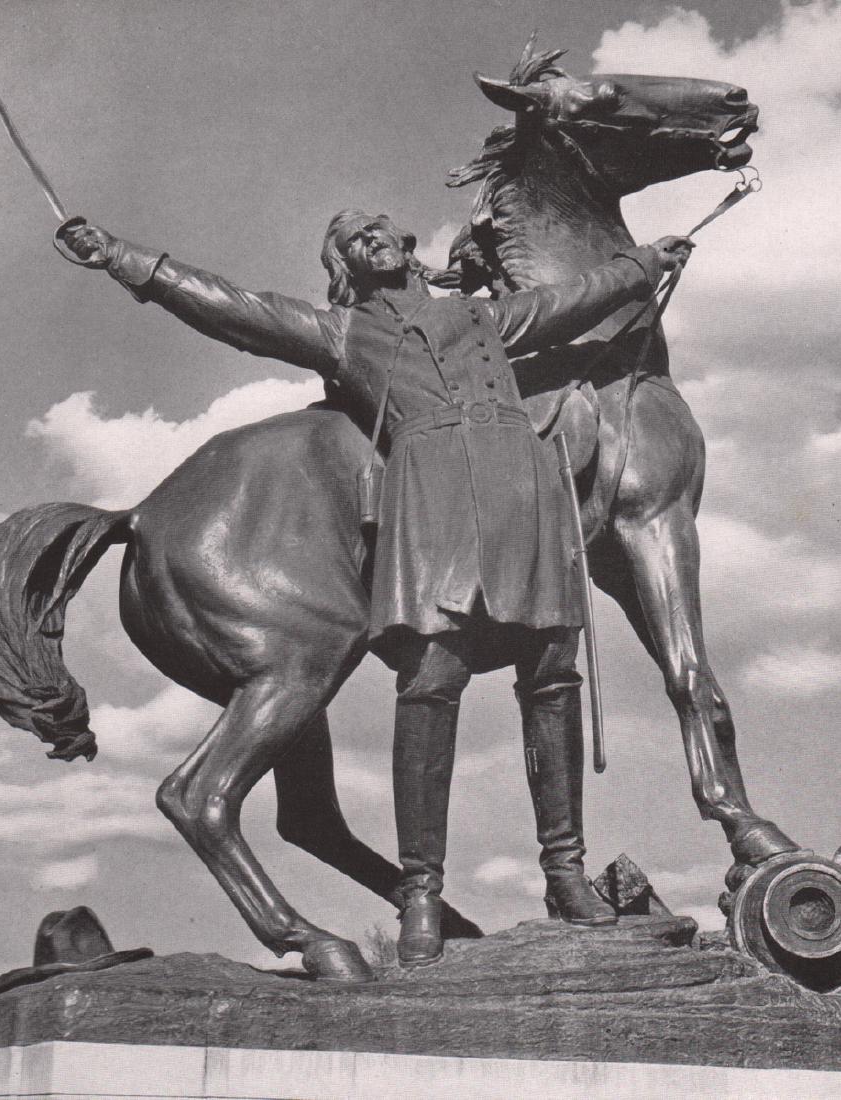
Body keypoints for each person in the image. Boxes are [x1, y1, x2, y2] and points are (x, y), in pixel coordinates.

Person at [62, 212, 693, 966]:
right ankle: (421, 893)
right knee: (433, 682)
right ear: (344, 265)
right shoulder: (343, 332)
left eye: (380, 227)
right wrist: (127, 260)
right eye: (353, 235)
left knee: (553, 675)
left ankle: (565, 872)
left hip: (523, 495)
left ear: (407, 249)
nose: (373, 235)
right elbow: (235, 308)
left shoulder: (484, 316)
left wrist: (644, 263)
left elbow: (573, 302)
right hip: (431, 508)